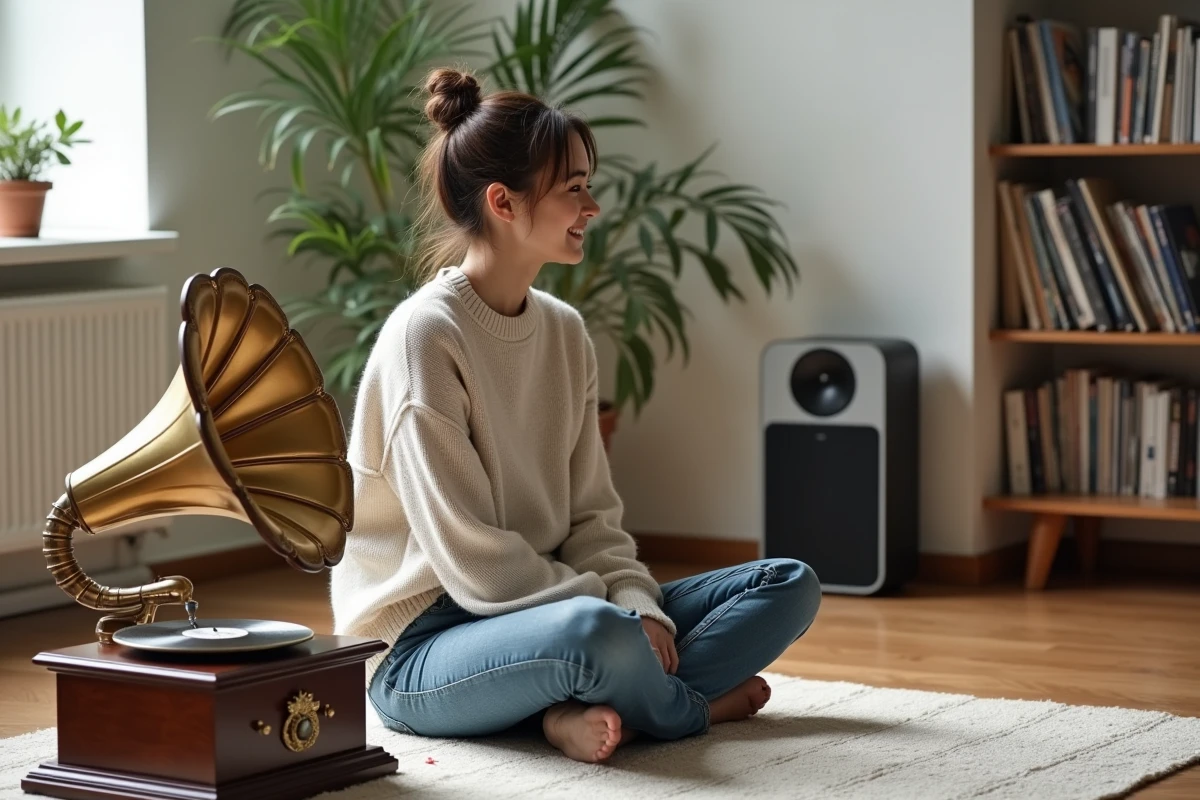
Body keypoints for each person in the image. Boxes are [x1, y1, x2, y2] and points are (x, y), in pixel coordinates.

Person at [329, 66, 822, 764]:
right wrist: (616, 615)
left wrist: (640, 604)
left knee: (789, 585)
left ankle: (576, 708)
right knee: (600, 636)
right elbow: (474, 561)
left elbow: (593, 516)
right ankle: (684, 709)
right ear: (504, 202)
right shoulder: (426, 337)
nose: (591, 206)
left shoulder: (563, 331)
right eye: (574, 188)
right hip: (421, 646)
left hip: (552, 608)